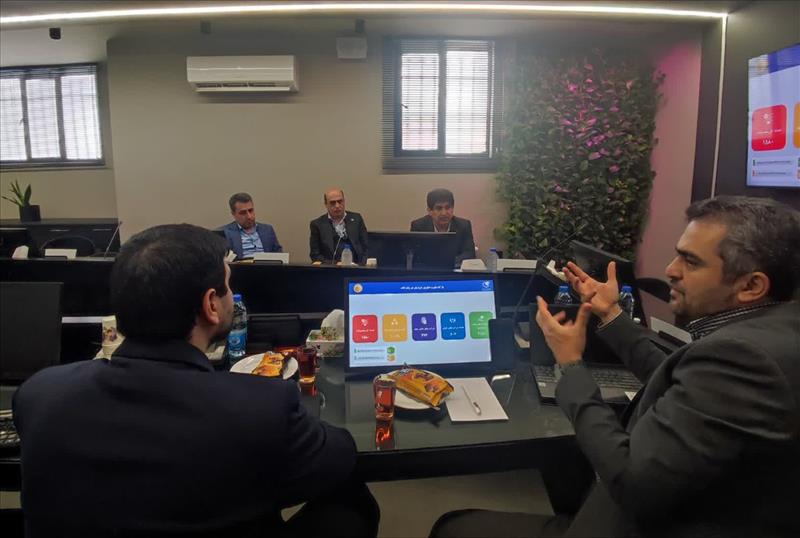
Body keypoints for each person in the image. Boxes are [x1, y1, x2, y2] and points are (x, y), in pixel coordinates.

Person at [430, 196, 800, 538]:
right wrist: (609, 313)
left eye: (691, 261)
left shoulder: (743, 358)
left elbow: (632, 483)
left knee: (454, 527)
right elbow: (675, 374)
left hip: (641, 522)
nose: (670, 270)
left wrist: (571, 365)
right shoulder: (771, 332)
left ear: (752, 286)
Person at [12, 224, 379, 538]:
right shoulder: (263, 406)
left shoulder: (39, 395)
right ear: (211, 305)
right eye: (228, 285)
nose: (231, 295)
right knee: (351, 501)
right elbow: (340, 456)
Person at [410, 188, 476, 265]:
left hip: (454, 269)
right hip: (429, 269)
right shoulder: (419, 226)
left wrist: (446, 263)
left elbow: (469, 254)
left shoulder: (464, 226)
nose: (444, 213)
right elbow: (414, 255)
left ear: (452, 208)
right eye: (439, 208)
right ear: (430, 211)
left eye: (447, 208)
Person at [309, 188, 369, 264]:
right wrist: (335, 264)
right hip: (331, 268)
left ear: (344, 201)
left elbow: (366, 248)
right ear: (326, 204)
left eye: (340, 201)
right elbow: (315, 255)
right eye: (332, 203)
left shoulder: (357, 219)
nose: (337, 206)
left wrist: (361, 266)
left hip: (357, 267)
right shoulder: (317, 224)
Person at [222, 192, 282, 258]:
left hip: (266, 264)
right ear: (233, 214)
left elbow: (279, 256)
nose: (249, 216)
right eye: (243, 213)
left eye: (250, 210)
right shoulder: (224, 233)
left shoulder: (267, 230)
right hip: (241, 264)